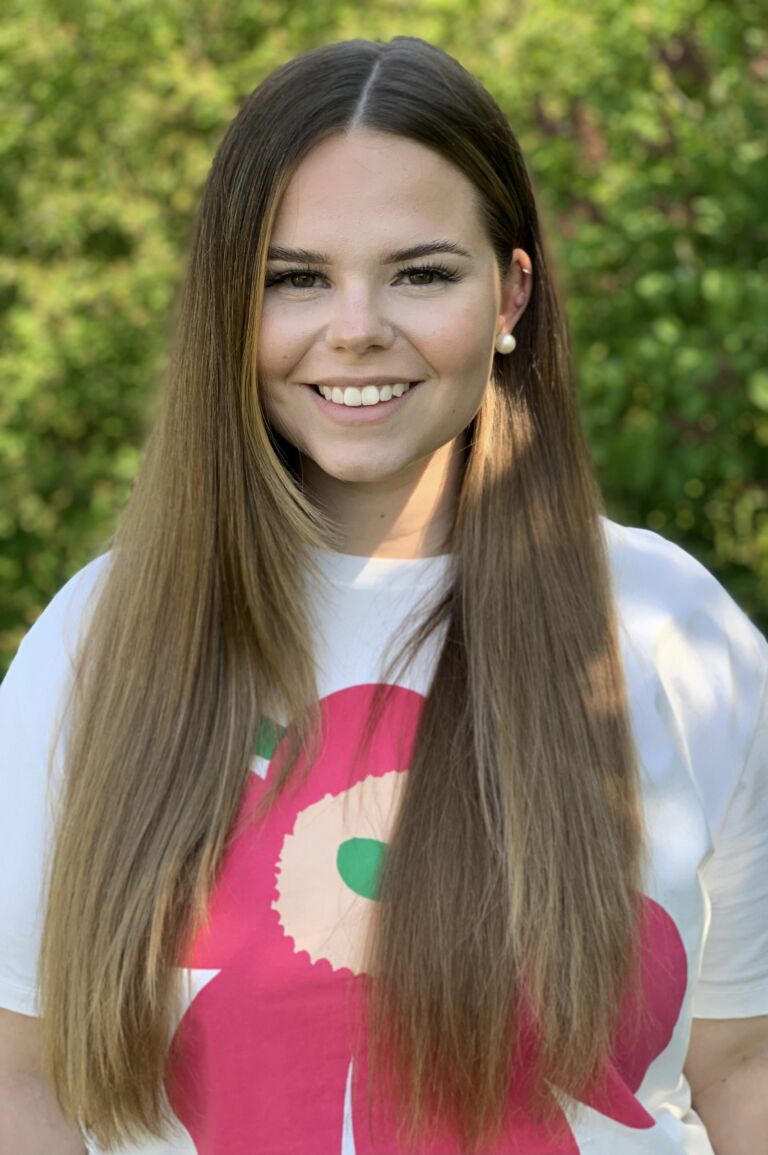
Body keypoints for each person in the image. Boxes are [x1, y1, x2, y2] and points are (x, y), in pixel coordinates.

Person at [0, 34, 766, 1155]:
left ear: (511, 292)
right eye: (295, 278)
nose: (355, 326)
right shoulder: (102, 639)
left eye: (420, 272)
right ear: (231, 308)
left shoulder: (669, 627)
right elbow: (24, 1078)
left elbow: (742, 1063)